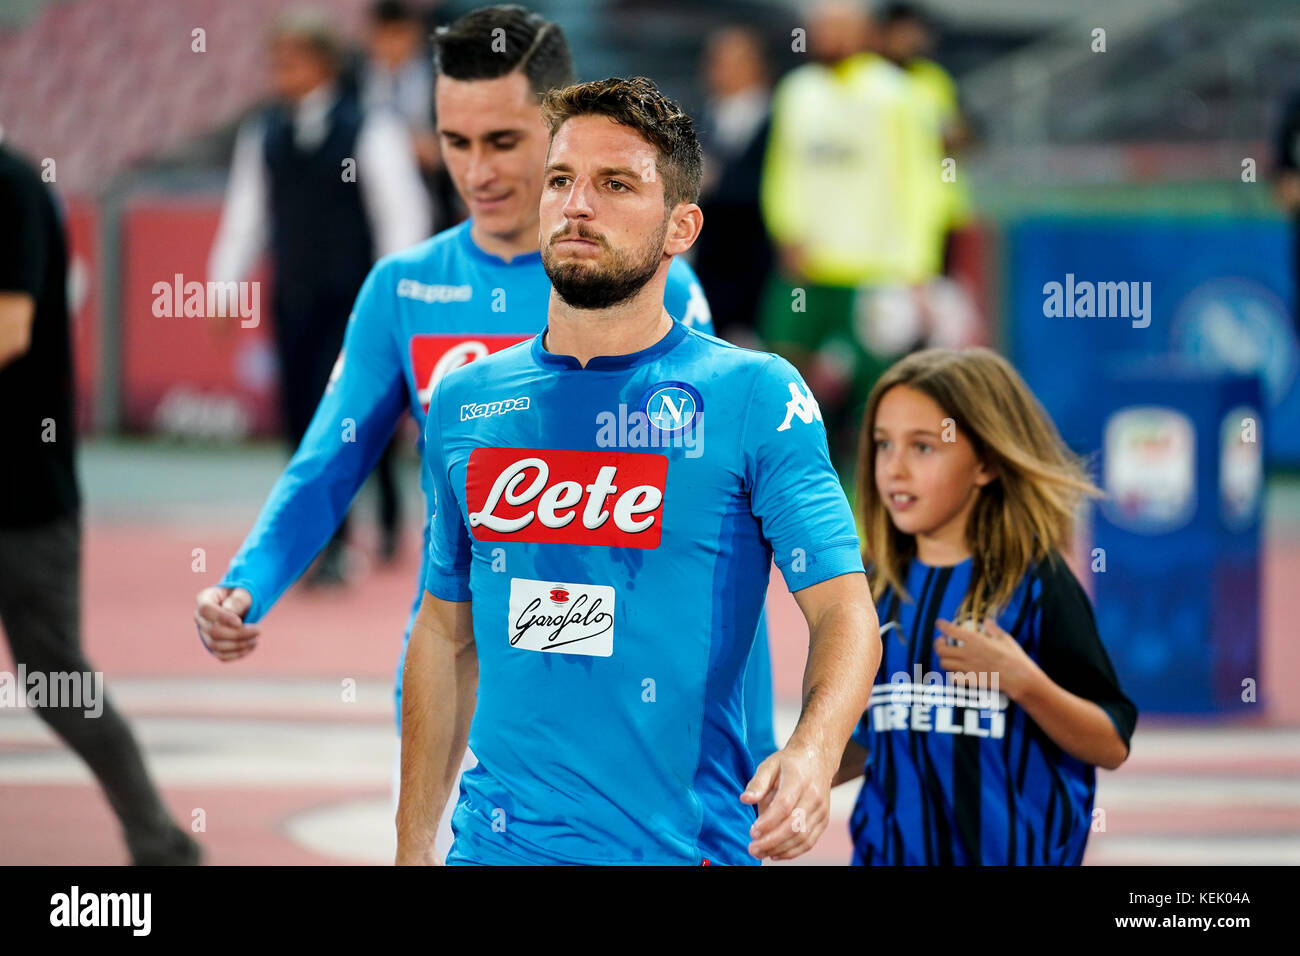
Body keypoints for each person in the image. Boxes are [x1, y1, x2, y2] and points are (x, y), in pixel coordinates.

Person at [193, 7, 778, 856]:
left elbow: (714, 529)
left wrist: (760, 752)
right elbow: (331, 455)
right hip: (478, 625)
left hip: (636, 652)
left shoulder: (654, 281)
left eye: (503, 141)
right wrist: (248, 583)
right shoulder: (405, 288)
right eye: (454, 142)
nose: (477, 171)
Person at [395, 76, 881, 866]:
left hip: (689, 848)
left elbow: (843, 612)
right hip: (498, 847)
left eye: (615, 184)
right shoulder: (466, 400)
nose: (577, 205)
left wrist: (814, 752)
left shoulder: (753, 395)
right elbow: (447, 632)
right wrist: (413, 844)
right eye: (561, 181)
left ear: (681, 225)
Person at [834, 348, 1137, 865]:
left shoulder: (1038, 585)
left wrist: (1024, 681)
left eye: (923, 448)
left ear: (987, 462)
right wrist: (793, 772)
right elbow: (880, 733)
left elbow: (1110, 743)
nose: (895, 469)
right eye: (884, 445)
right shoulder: (873, 584)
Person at [0, 138, 200, 865]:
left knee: (57, 683)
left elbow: (10, 330)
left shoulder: (14, 187)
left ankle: (159, 841)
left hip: (24, 494)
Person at [207, 10, 431, 583]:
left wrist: (394, 297)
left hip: (354, 302)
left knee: (357, 417)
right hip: (295, 299)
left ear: (325, 65)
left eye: (292, 60)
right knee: (300, 416)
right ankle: (318, 539)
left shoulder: (370, 128)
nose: (279, 72)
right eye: (275, 60)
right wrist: (223, 289)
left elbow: (400, 215)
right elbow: (245, 215)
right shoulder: (265, 133)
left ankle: (368, 527)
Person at [758, 0, 933, 477]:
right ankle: (784, 492)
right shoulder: (796, 92)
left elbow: (920, 182)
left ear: (864, 29)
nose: (828, 35)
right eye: (820, 26)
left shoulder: (897, 94)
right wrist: (786, 231)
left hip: (874, 270)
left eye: (839, 25)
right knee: (780, 382)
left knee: (875, 398)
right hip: (807, 269)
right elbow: (781, 171)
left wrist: (915, 266)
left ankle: (870, 503)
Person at [692, 26, 774, 348]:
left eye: (731, 60)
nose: (718, 69)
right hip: (712, 258)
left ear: (757, 65)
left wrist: (719, 181)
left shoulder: (781, 116)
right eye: (714, 60)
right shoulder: (705, 115)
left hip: (757, 260)